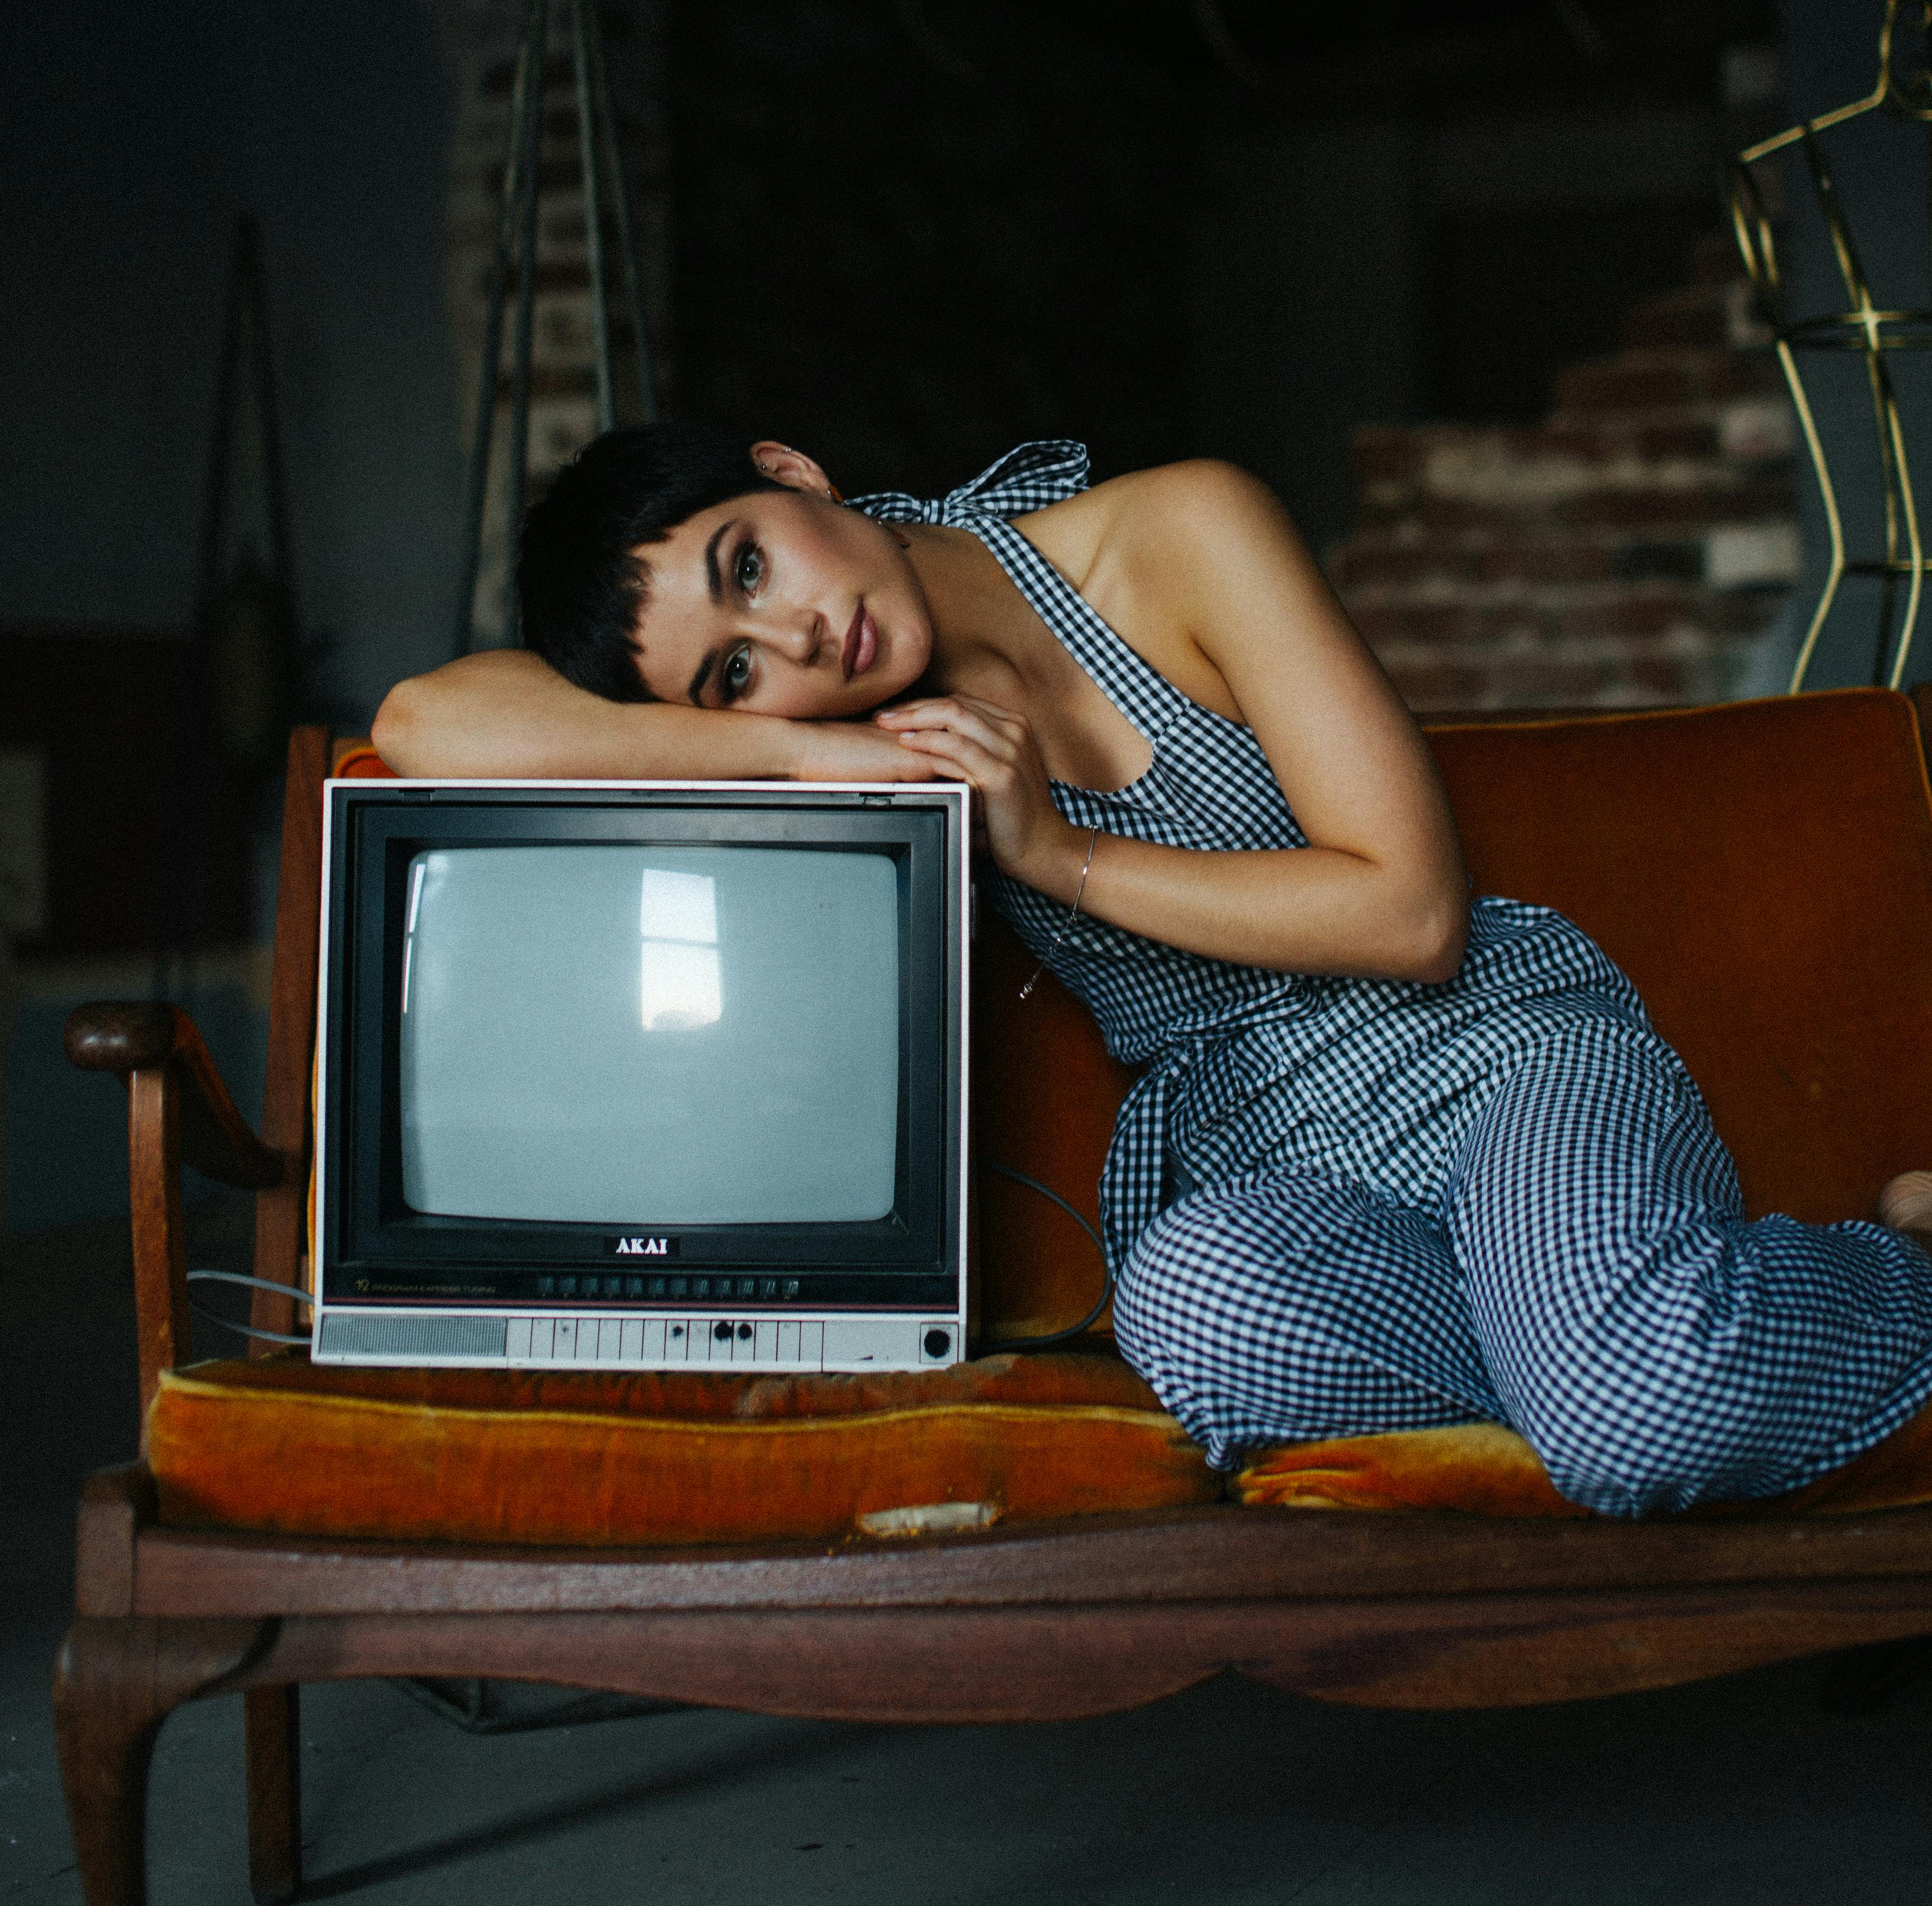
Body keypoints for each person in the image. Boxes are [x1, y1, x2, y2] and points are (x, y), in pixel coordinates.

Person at [375, 425, 1932, 1517]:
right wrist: (790, 755)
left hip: (1496, 1060)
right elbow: (434, 718)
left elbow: (1410, 913)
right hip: (1269, 1163)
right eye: (733, 665)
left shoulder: (1179, 531)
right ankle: (1597, 1339)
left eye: (748, 564)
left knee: (1640, 1407)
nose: (795, 637)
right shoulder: (847, 734)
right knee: (1197, 1321)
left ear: (790, 473)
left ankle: (1894, 1274)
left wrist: (1051, 852)